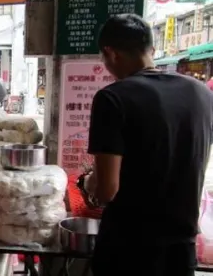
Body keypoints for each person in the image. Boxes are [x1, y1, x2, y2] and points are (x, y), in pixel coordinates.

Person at [83, 14, 213, 276]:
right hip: (181, 249)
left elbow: (107, 190)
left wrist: (88, 183)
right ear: (151, 50)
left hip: (128, 250)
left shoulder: (113, 98)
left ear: (111, 53)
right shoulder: (202, 93)